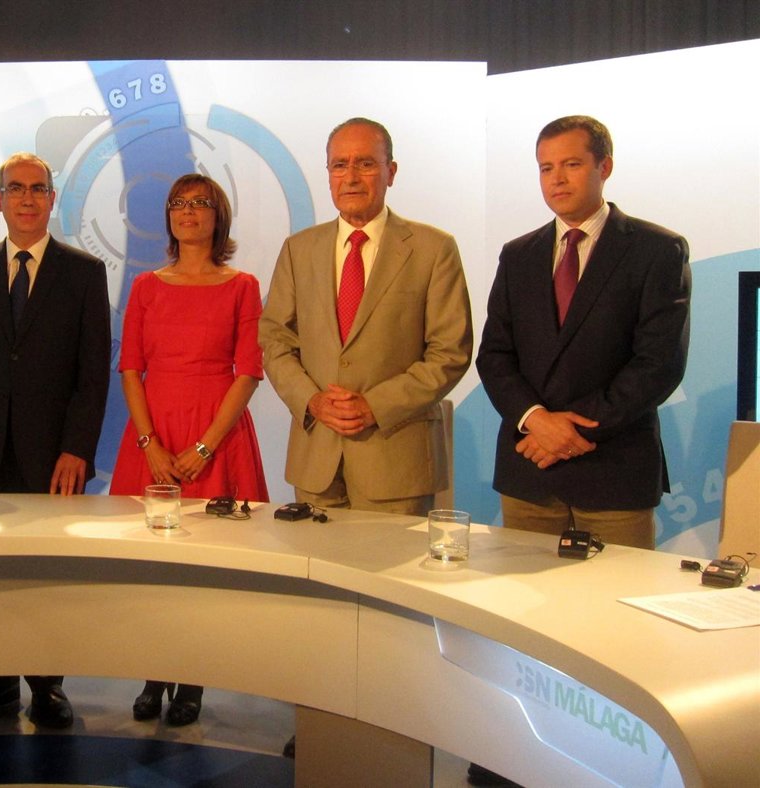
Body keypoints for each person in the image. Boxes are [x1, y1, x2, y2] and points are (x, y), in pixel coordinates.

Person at [0, 152, 111, 730]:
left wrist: (77, 447)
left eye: (38, 188)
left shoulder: (84, 272)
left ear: (52, 199)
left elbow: (92, 373)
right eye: (16, 188)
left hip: (54, 456)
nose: (28, 198)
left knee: (46, 573)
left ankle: (47, 685)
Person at [476, 115, 691, 550]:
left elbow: (658, 364)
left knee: (615, 594)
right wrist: (537, 421)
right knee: (520, 590)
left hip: (613, 470)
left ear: (604, 167)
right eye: (546, 168)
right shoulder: (518, 255)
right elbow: (495, 356)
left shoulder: (656, 249)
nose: (556, 179)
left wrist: (570, 434)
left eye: (571, 164)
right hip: (529, 470)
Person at [109, 174, 269, 727]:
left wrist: (205, 446)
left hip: (216, 433)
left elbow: (249, 371)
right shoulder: (145, 286)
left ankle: (193, 678)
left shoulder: (242, 285)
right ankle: (154, 673)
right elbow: (131, 367)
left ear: (218, 215)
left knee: (204, 564)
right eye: (179, 202)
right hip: (153, 433)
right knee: (153, 566)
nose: (188, 211)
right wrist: (150, 444)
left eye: (200, 203)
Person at [259, 117, 472, 518]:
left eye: (366, 163)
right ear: (328, 174)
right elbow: (275, 341)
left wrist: (375, 405)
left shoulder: (433, 249)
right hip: (316, 462)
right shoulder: (298, 249)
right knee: (314, 561)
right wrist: (312, 401)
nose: (351, 177)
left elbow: (450, 353)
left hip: (397, 463)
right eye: (340, 165)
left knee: (389, 561)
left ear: (391, 171)